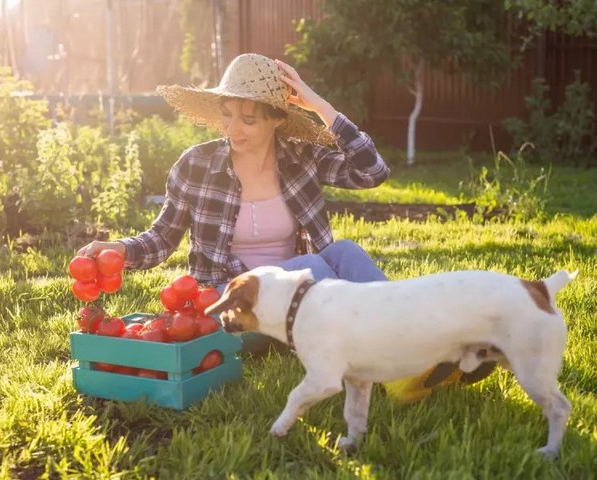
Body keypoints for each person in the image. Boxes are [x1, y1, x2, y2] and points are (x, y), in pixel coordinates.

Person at [77, 53, 390, 354]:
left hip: (295, 299)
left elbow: (371, 172)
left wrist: (321, 108)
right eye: (227, 114)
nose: (233, 129)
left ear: (277, 120)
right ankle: (376, 347)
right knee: (310, 266)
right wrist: (119, 248)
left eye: (249, 120)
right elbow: (162, 238)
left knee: (345, 252)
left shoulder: (301, 158)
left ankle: (402, 327)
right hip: (229, 307)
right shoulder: (197, 164)